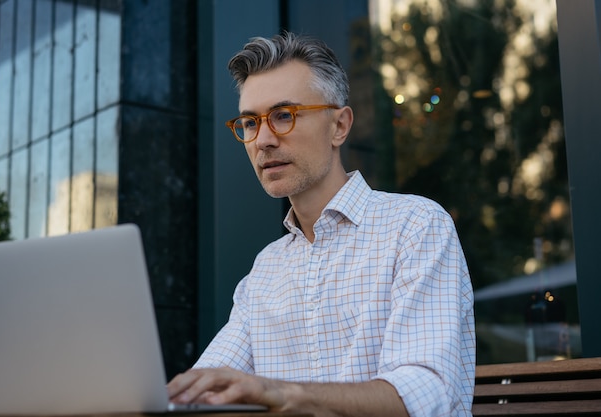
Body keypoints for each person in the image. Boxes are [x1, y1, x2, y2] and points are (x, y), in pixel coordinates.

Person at [167, 31, 475, 417]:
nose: (262, 140)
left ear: (339, 126)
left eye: (283, 116)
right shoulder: (265, 271)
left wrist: (283, 394)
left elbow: (425, 395)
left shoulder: (416, 227)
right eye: (249, 122)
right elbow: (206, 387)